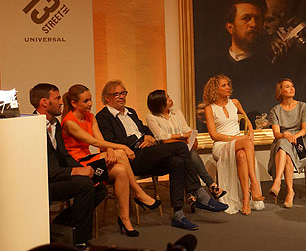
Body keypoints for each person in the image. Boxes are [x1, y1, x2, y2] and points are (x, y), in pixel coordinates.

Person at [95, 80, 227, 231]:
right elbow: (110, 141)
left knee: (177, 161)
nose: (121, 97)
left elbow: (145, 129)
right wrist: (139, 139)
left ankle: (178, 214)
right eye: (116, 94)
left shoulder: (130, 111)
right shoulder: (103, 117)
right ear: (107, 98)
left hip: (147, 152)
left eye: (123, 93)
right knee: (181, 146)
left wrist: (148, 138)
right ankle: (198, 192)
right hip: (130, 159)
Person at [60, 84, 159, 237]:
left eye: (91, 100)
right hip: (77, 164)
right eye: (86, 101)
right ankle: (138, 192)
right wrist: (120, 147)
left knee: (120, 171)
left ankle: (125, 219)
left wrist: (111, 150)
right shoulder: (69, 122)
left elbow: (102, 140)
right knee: (120, 153)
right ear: (74, 103)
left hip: (90, 159)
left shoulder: (90, 117)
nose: (90, 104)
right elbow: (95, 142)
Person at [30, 83, 106, 250]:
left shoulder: (55, 124)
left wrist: (84, 169)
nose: (61, 102)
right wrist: (75, 171)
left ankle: (61, 223)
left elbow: (64, 155)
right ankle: (80, 240)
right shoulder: (30, 127)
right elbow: (45, 167)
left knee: (98, 186)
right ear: (44, 102)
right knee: (85, 185)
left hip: (58, 174)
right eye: (57, 98)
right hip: (43, 181)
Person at [145, 89, 226, 199]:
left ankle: (193, 194)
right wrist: (183, 135)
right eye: (167, 97)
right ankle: (209, 185)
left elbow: (186, 128)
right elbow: (160, 136)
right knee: (189, 154)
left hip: (181, 148)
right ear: (159, 101)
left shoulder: (176, 112)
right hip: (165, 150)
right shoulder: (151, 117)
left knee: (187, 155)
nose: (170, 99)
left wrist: (190, 136)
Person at [203, 74, 265, 215]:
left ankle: (245, 199)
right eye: (223, 85)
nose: (228, 88)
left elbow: (246, 118)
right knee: (246, 143)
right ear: (215, 89)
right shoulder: (210, 108)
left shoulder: (235, 102)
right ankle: (254, 185)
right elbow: (214, 135)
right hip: (221, 145)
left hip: (239, 143)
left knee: (242, 155)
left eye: (228, 84)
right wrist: (234, 139)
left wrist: (250, 130)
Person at [267, 78, 306, 208]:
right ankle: (290, 191)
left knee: (284, 145)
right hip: (282, 140)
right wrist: (285, 135)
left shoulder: (302, 106)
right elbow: (276, 134)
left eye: (292, 86)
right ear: (280, 91)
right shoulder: (275, 110)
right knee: (283, 145)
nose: (292, 88)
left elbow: (305, 129)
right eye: (287, 87)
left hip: (299, 142)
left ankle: (277, 182)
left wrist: (293, 137)